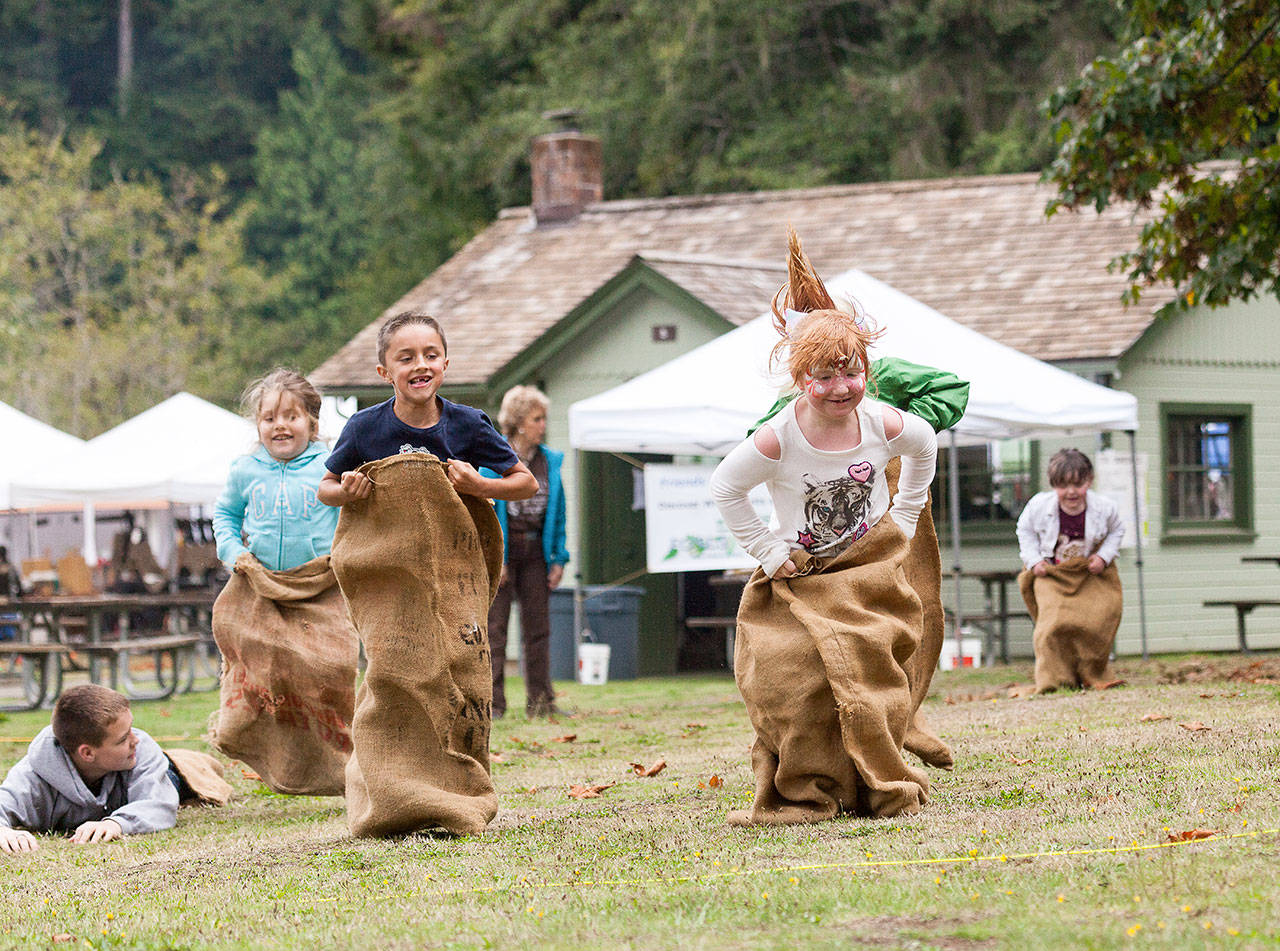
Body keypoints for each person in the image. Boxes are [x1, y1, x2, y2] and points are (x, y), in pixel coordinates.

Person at [710, 228, 938, 825]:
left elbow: (926, 444)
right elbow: (726, 488)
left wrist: (906, 513)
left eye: (852, 371)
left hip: (868, 572)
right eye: (824, 376)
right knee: (794, 680)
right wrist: (766, 548)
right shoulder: (775, 438)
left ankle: (875, 781)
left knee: (873, 669)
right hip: (803, 576)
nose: (841, 388)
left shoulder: (880, 422)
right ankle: (809, 787)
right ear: (798, 378)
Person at [319, 311, 536, 506]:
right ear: (384, 373)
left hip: (454, 549)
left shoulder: (470, 423)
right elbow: (325, 488)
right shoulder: (363, 426)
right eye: (406, 358)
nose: (421, 364)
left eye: (431, 356)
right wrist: (346, 492)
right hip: (385, 549)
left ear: (445, 364)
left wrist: (481, 486)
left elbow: (527, 483)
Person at [0, 684, 178, 853]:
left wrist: (116, 824)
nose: (136, 740)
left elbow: (161, 802)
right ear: (87, 753)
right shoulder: (32, 775)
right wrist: (3, 832)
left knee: (182, 772)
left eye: (131, 728)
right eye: (123, 739)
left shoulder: (141, 749)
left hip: (171, 771)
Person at [483, 386, 570, 719]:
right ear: (518, 422)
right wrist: (497, 558)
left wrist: (559, 559)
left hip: (537, 553)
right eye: (537, 418)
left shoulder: (551, 461)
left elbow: (558, 513)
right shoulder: (495, 459)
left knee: (538, 630)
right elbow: (488, 510)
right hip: (504, 552)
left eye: (544, 418)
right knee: (495, 631)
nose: (543, 425)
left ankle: (541, 703)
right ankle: (494, 705)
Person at [1015, 448, 1125, 691]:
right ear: (1054, 485)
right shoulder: (1038, 506)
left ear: (1090, 481)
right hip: (1051, 573)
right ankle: (1054, 679)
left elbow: (1117, 530)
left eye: (1078, 484)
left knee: (1095, 622)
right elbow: (1024, 529)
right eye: (1063, 485)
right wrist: (1034, 561)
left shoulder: (1104, 508)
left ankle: (1091, 673)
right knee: (1052, 625)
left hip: (1087, 573)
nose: (1071, 492)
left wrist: (1104, 557)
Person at [213, 368, 339, 573]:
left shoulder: (330, 467)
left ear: (312, 426)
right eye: (269, 419)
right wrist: (234, 552)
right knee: (224, 607)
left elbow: (349, 517)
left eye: (291, 417)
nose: (280, 425)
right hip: (260, 577)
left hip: (321, 580)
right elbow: (226, 513)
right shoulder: (245, 469)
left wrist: (342, 557)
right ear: (258, 426)